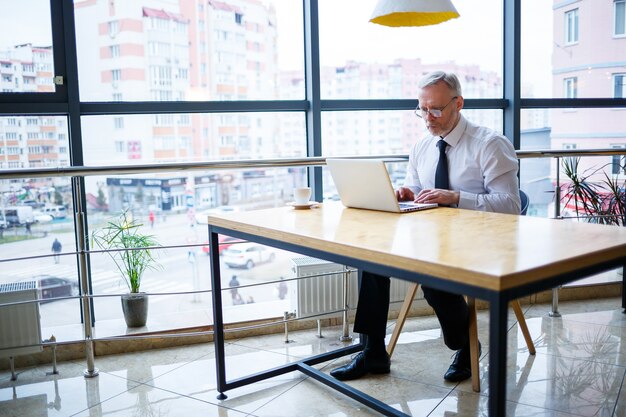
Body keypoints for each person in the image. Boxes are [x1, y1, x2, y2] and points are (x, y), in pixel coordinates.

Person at [330, 71, 520, 383]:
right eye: (422, 109)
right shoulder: (422, 146)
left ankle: (465, 345)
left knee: (432, 272)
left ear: (458, 103)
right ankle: (373, 350)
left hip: (480, 240)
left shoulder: (490, 145)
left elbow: (510, 205)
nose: (427, 117)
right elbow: (418, 190)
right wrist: (406, 194)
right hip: (431, 235)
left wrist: (458, 197)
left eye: (435, 109)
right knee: (372, 257)